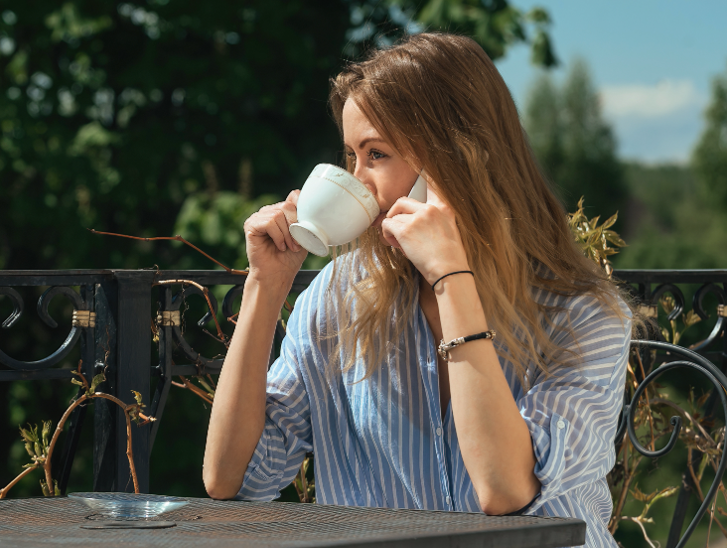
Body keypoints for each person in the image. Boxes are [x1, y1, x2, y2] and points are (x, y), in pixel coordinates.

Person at [202, 33, 630, 548]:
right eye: (350, 155)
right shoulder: (338, 297)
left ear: (456, 162)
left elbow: (504, 488)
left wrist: (451, 277)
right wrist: (264, 288)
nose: (356, 180)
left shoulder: (582, 314)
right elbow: (232, 479)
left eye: (375, 154)